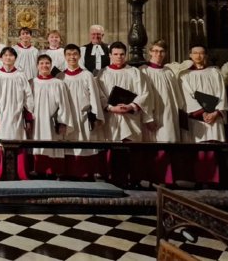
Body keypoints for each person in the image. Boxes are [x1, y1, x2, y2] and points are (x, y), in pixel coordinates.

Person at [97, 41, 151, 186]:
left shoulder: (134, 72)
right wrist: (109, 107)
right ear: (110, 55)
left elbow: (144, 93)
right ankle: (113, 179)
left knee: (131, 148)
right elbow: (100, 95)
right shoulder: (103, 73)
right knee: (113, 148)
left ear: (125, 55)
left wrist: (131, 106)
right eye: (115, 54)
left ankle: (133, 179)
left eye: (121, 54)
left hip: (130, 116)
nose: (119, 57)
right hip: (112, 117)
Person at [135, 40, 184, 185]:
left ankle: (168, 178)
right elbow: (142, 96)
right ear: (150, 52)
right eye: (155, 51)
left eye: (161, 51)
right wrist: (147, 117)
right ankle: (152, 179)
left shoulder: (169, 72)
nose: (158, 54)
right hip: (152, 114)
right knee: (153, 147)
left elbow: (177, 98)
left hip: (169, 114)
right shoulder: (143, 71)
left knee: (168, 142)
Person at [178, 44, 228, 186]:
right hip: (196, 118)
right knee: (197, 149)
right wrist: (201, 113)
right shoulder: (184, 75)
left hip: (214, 117)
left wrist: (216, 112)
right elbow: (186, 96)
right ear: (190, 55)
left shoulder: (214, 73)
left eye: (201, 53)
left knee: (213, 147)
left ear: (205, 55)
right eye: (195, 53)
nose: (198, 56)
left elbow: (222, 94)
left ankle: (214, 179)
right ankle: (198, 180)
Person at [59, 44, 106, 180]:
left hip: (83, 115)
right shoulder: (60, 76)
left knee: (84, 142)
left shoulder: (87, 75)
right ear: (65, 56)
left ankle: (85, 174)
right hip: (66, 116)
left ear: (79, 56)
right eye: (69, 54)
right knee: (67, 142)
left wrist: (96, 116)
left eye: (75, 54)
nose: (72, 57)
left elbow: (94, 96)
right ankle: (68, 173)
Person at [0, 46, 34, 180]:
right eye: (5, 55)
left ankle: (21, 173)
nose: (8, 58)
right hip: (2, 116)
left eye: (11, 55)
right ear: (1, 58)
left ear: (15, 58)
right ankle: (2, 174)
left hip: (17, 115)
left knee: (18, 143)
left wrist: (28, 118)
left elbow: (28, 96)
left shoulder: (20, 75)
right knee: (2, 144)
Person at [30, 54, 75, 177]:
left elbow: (64, 104)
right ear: (37, 66)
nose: (44, 66)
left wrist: (62, 122)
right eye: (42, 63)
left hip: (52, 120)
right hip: (37, 121)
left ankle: (54, 171)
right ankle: (39, 170)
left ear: (51, 65)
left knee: (53, 142)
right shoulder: (32, 83)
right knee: (37, 142)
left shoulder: (58, 83)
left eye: (47, 63)